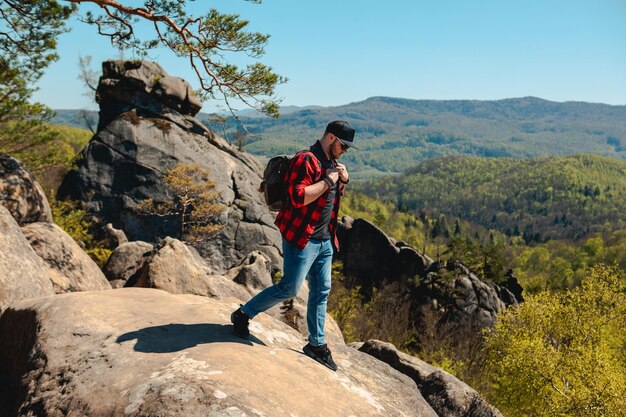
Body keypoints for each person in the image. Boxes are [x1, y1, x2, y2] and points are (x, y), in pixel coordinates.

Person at [231, 120, 356, 371]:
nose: (345, 151)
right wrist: (329, 182)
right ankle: (243, 314)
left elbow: (330, 201)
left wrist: (342, 180)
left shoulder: (331, 163)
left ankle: (316, 345)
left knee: (321, 292)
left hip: (325, 240)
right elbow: (298, 197)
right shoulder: (306, 160)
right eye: (344, 146)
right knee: (290, 287)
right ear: (331, 138)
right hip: (302, 238)